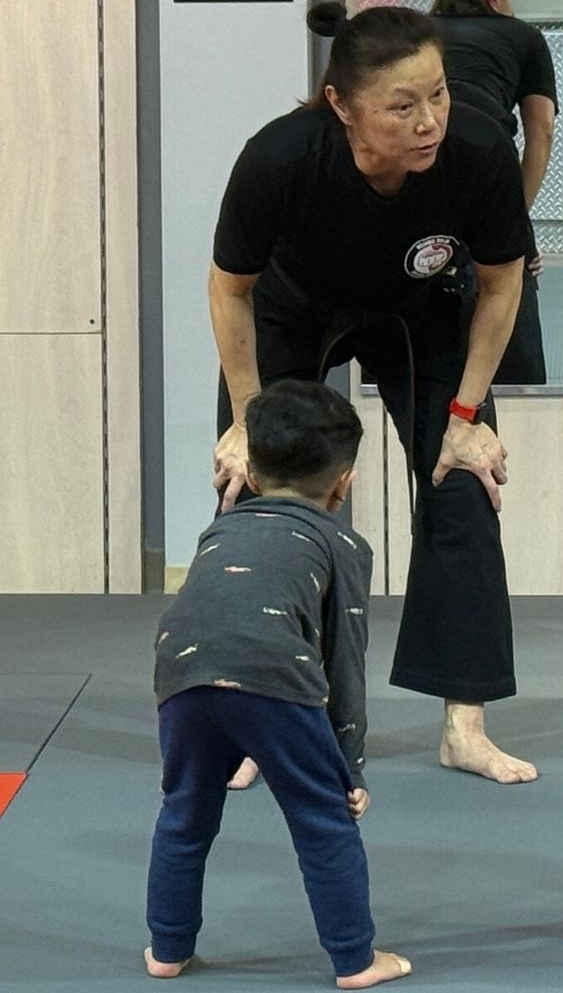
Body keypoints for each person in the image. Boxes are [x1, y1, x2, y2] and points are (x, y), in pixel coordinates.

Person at [210, 4, 538, 786]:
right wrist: (248, 423)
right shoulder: (281, 158)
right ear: (342, 105)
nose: (428, 121)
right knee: (260, 502)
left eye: (438, 95)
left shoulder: (478, 152)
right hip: (295, 311)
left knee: (465, 487)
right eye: (402, 105)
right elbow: (230, 292)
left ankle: (465, 723)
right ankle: (264, 717)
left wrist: (465, 420)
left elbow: (500, 285)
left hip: (420, 318)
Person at [145, 380, 410, 988]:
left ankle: (167, 949)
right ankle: (355, 959)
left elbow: (215, 613)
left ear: (253, 473)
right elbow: (344, 658)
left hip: (179, 672)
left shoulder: (219, 528)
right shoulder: (340, 542)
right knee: (321, 819)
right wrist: (351, 768)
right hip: (272, 678)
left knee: (184, 813)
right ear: (345, 480)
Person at [426, 0, 559, 384]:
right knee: (506, 283)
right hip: (488, 162)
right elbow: (541, 131)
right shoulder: (522, 36)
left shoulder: (419, 32)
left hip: (419, 164)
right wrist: (516, 216)